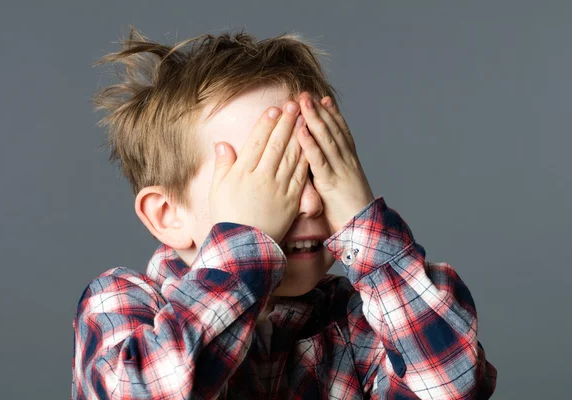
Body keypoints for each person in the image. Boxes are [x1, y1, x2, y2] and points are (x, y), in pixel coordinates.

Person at [72, 26, 497, 399]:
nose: (310, 202)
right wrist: (244, 245)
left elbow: (449, 386)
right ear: (168, 215)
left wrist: (363, 223)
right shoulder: (121, 302)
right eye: (266, 179)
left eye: (317, 171)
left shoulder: (362, 323)